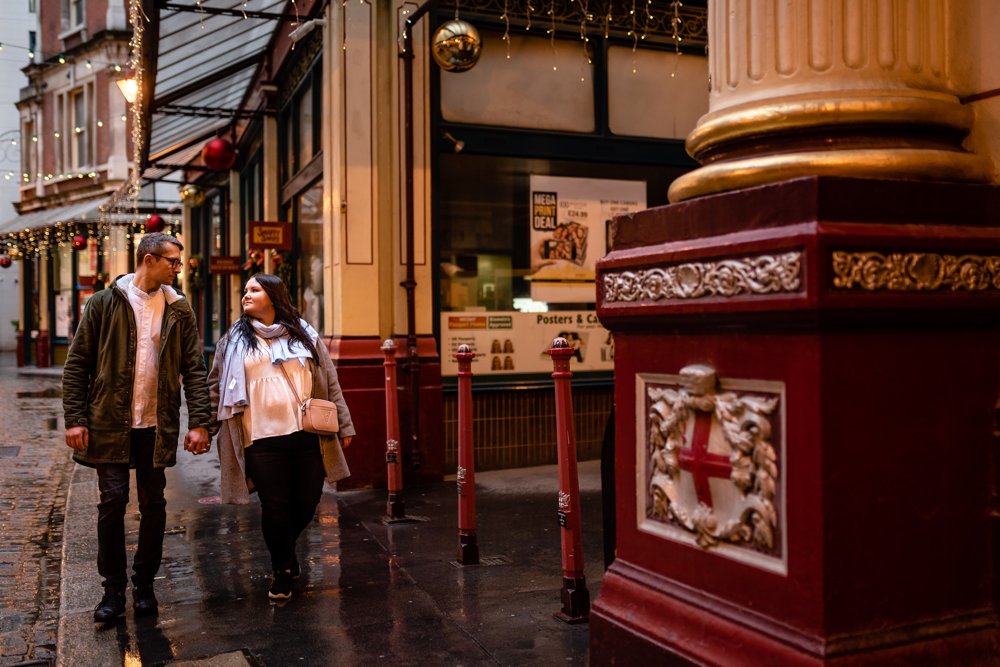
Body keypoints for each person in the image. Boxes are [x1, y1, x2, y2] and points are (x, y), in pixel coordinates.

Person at [62, 232, 213, 624]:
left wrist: (199, 422)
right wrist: (75, 418)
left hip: (155, 424)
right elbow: (77, 364)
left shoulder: (179, 309)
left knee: (154, 504)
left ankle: (144, 585)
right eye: (172, 261)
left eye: (178, 262)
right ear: (149, 260)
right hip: (110, 422)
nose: (178, 268)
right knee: (112, 502)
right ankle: (112, 590)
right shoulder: (103, 303)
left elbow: (194, 369)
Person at [209, 273, 355, 601]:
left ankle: (285, 548)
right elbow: (214, 386)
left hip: (307, 434)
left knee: (307, 501)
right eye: (245, 290)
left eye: (254, 290)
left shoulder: (305, 336)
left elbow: (329, 381)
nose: (246, 295)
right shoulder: (232, 341)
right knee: (275, 505)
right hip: (259, 437)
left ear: (273, 296)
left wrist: (344, 425)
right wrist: (204, 428)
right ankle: (281, 570)